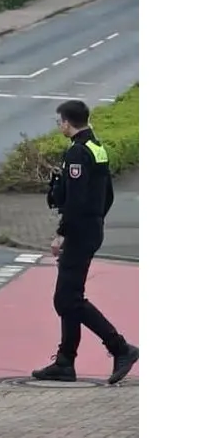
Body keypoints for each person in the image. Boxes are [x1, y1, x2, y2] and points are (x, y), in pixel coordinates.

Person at [33, 99, 140, 385]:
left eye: (59, 122)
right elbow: (107, 196)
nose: (59, 127)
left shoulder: (78, 153)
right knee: (70, 298)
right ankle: (65, 363)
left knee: (67, 299)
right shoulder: (98, 148)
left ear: (67, 123)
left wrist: (62, 233)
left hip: (79, 232)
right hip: (92, 229)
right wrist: (97, 220)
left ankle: (120, 348)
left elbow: (76, 201)